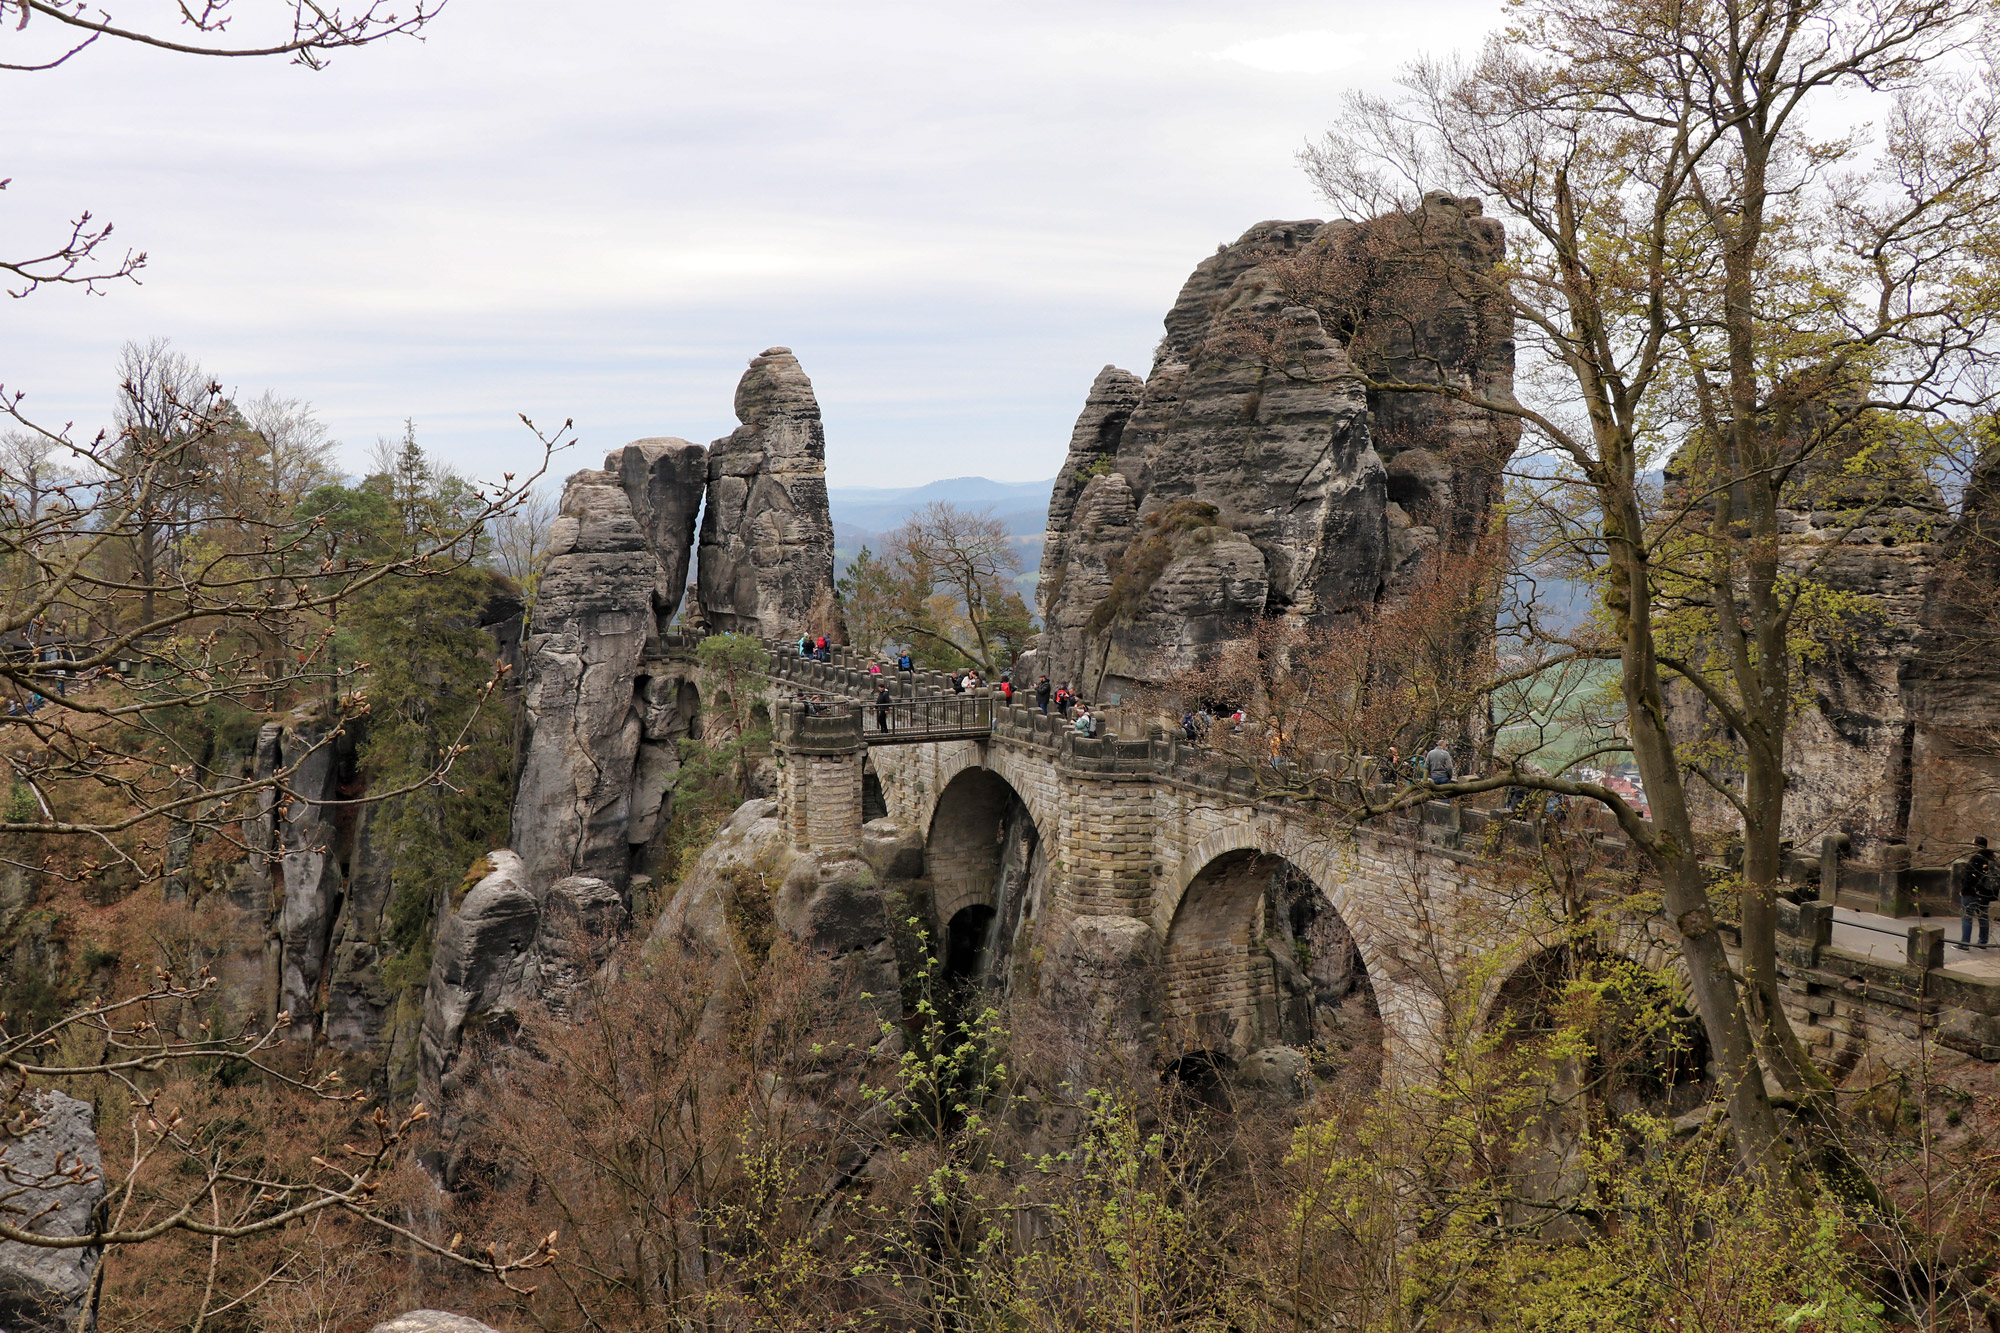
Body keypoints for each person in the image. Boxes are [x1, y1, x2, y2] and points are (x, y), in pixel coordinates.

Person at [1963, 836, 1999, 947]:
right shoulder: (1991, 858)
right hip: (1986, 893)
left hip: (1973, 893)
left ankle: (1964, 944)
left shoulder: (1976, 859)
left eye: (1973, 843)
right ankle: (1983, 942)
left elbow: (1970, 878)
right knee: (1983, 916)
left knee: (1967, 916)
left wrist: (1964, 889)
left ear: (1977, 845)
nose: (1971, 846)